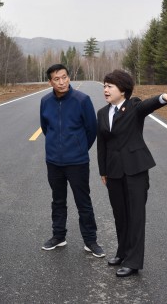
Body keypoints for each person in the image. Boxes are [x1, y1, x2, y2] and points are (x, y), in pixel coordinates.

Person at [96, 69, 167, 277]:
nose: (106, 90)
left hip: (135, 170)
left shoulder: (133, 106)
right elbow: (102, 145)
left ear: (123, 90)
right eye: (104, 86)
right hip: (114, 171)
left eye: (110, 86)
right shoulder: (102, 113)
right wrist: (103, 171)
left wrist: (163, 98)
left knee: (135, 215)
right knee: (120, 214)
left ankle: (133, 261)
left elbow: (147, 105)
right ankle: (122, 253)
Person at [39, 64, 105, 258]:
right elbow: (46, 128)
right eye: (57, 79)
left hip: (77, 162)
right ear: (50, 82)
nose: (62, 82)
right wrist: (55, 146)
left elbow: (91, 129)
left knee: (83, 201)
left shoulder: (82, 100)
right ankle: (58, 236)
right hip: (53, 162)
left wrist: (79, 148)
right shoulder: (45, 101)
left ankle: (90, 241)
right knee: (58, 200)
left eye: (64, 77)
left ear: (69, 77)